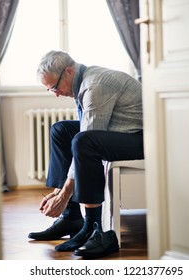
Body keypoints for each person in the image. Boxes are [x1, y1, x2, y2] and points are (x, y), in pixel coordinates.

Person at [28, 50, 144, 259]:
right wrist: (59, 191)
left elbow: (86, 136)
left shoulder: (95, 86)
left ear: (69, 71)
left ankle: (93, 226)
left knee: (84, 142)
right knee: (60, 130)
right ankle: (71, 217)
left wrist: (64, 195)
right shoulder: (82, 81)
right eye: (50, 90)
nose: (55, 93)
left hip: (140, 137)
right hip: (118, 130)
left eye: (54, 87)